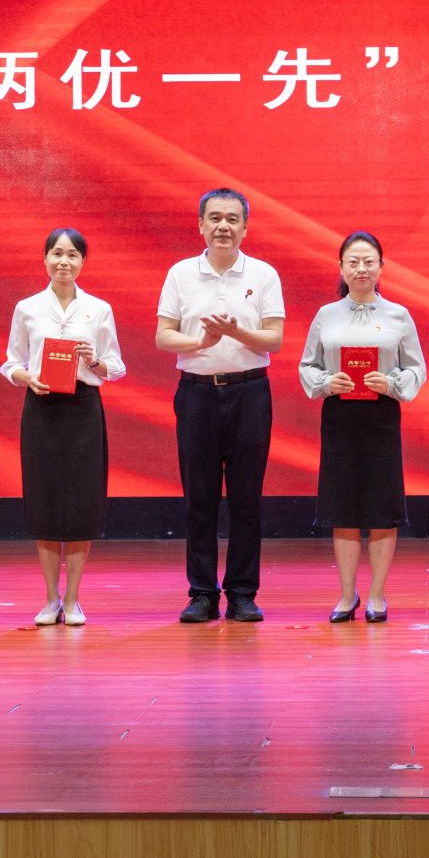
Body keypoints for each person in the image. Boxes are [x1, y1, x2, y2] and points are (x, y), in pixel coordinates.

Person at [155, 188, 285, 623]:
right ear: (200, 225)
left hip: (250, 392)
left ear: (245, 227)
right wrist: (202, 342)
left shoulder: (263, 274)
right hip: (197, 394)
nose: (223, 226)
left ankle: (243, 593)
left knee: (247, 498)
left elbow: (274, 339)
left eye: (232, 219)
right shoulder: (180, 274)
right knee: (200, 498)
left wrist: (235, 333)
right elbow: (164, 336)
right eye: (214, 218)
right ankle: (202, 593)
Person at [298, 231, 426, 623]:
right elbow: (308, 365)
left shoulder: (398, 315)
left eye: (369, 261)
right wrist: (326, 383)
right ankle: (346, 595)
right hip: (339, 416)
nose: (361, 268)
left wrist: (391, 383)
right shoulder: (326, 315)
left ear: (381, 267)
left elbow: (415, 367)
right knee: (343, 509)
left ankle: (377, 595)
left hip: (381, 416)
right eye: (353, 262)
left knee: (382, 508)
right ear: (341, 268)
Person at [0, 228, 123, 627]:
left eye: (72, 255)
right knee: (46, 500)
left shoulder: (98, 309)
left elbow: (116, 366)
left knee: (82, 502)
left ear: (83, 261)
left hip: (83, 408)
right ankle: (50, 598)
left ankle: (73, 599)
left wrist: (94, 361)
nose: (63, 261)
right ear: (45, 259)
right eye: (56, 253)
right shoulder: (28, 308)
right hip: (42, 407)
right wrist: (27, 377)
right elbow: (10, 362)